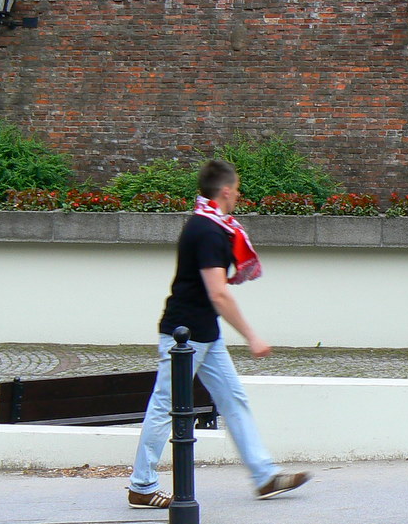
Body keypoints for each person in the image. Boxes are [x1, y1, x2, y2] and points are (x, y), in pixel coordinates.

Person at [127, 159, 309, 509]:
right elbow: (219, 294)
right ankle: (142, 485)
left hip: (204, 334)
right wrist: (252, 336)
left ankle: (264, 476)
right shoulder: (208, 231)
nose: (239, 195)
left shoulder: (212, 226)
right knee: (164, 406)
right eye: (236, 189)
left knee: (233, 400)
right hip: (185, 336)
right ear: (225, 191)